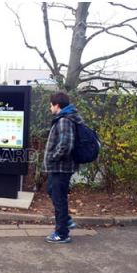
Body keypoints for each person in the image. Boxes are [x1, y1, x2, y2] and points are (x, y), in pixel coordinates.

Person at [42, 92, 83, 244]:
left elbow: (65, 145)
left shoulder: (65, 120)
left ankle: (62, 233)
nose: (50, 107)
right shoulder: (64, 119)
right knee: (51, 190)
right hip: (60, 167)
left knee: (59, 199)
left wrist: (53, 158)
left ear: (57, 105)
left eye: (51, 105)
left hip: (62, 167)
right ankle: (66, 221)